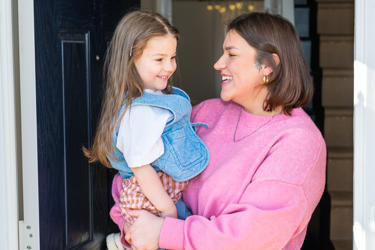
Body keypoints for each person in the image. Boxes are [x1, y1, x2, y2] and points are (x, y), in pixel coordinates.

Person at [111, 12, 327, 250]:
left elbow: (250, 237)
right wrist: (134, 227)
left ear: (268, 66)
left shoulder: (299, 142)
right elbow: (132, 174)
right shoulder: (206, 113)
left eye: (231, 54)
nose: (218, 64)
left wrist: (165, 232)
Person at [83, 10, 209, 249]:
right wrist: (168, 210)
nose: (170, 66)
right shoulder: (140, 112)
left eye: (172, 57)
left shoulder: (154, 97)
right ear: (131, 59)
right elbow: (141, 167)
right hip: (151, 199)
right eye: (159, 59)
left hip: (159, 194)